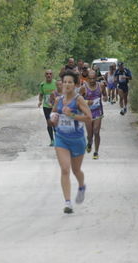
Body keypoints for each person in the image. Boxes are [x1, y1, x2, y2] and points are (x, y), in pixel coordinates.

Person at [50, 70, 92, 214]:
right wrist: (53, 118)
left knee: (76, 170)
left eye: (70, 82)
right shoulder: (58, 100)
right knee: (65, 169)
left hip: (77, 139)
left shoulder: (79, 99)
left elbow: (89, 117)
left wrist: (72, 115)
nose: (66, 84)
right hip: (61, 138)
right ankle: (68, 202)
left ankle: (81, 186)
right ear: (61, 84)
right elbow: (54, 114)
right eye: (65, 82)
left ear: (75, 85)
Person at [80, 70, 107, 160]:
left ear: (96, 78)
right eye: (90, 79)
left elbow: (105, 95)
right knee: (89, 134)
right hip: (87, 113)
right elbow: (78, 100)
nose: (92, 80)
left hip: (98, 111)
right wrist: (87, 101)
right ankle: (89, 143)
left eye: (93, 78)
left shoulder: (101, 86)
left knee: (96, 132)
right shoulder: (83, 88)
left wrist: (105, 97)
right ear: (87, 79)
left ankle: (96, 152)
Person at [37, 69, 57, 146]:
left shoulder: (55, 83)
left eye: (50, 74)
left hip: (54, 106)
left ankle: (58, 139)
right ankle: (52, 140)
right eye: (47, 74)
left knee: (54, 123)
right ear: (45, 75)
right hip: (46, 106)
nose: (49, 75)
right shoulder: (42, 84)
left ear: (52, 75)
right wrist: (40, 101)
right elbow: (41, 94)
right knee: (49, 123)